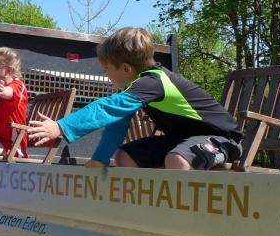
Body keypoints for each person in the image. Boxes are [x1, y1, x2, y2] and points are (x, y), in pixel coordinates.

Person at [27, 27, 243, 170]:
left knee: (177, 159)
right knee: (124, 156)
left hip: (222, 141)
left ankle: (182, 219)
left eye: (106, 69)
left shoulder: (154, 81)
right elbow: (116, 124)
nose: (106, 75)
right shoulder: (138, 88)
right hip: (180, 140)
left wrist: (62, 127)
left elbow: (107, 108)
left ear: (126, 68)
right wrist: (100, 159)